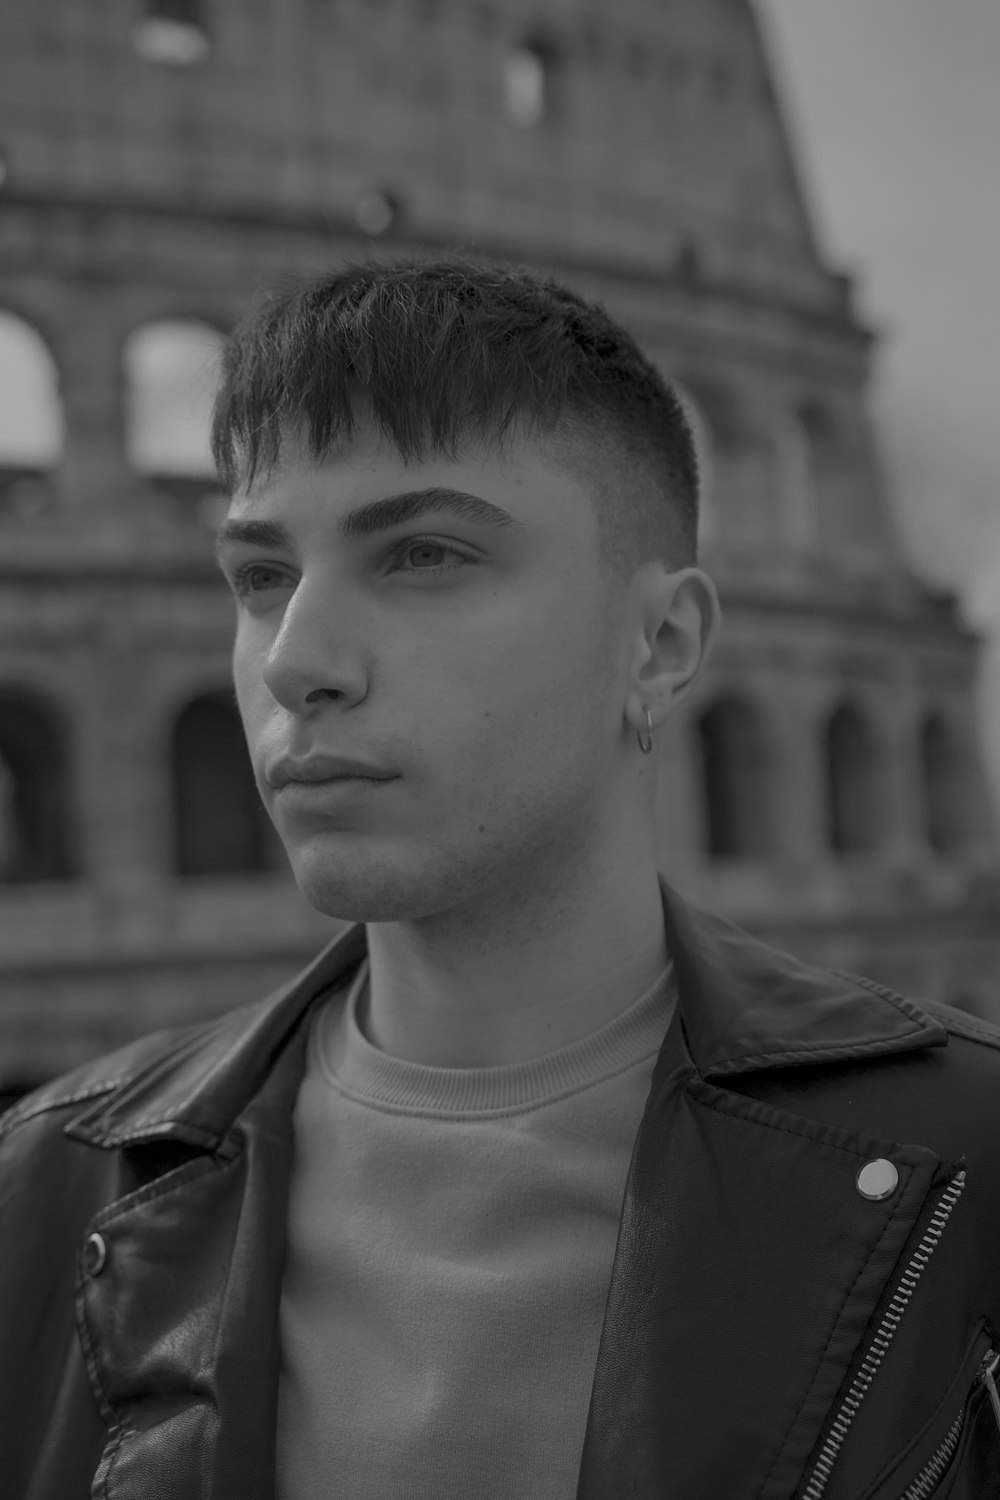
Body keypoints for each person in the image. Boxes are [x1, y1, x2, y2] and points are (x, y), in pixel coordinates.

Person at [2, 258, 999, 1500]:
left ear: (662, 642)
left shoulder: (967, 1169)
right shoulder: (46, 1197)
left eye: (423, 554)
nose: (296, 659)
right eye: (260, 576)